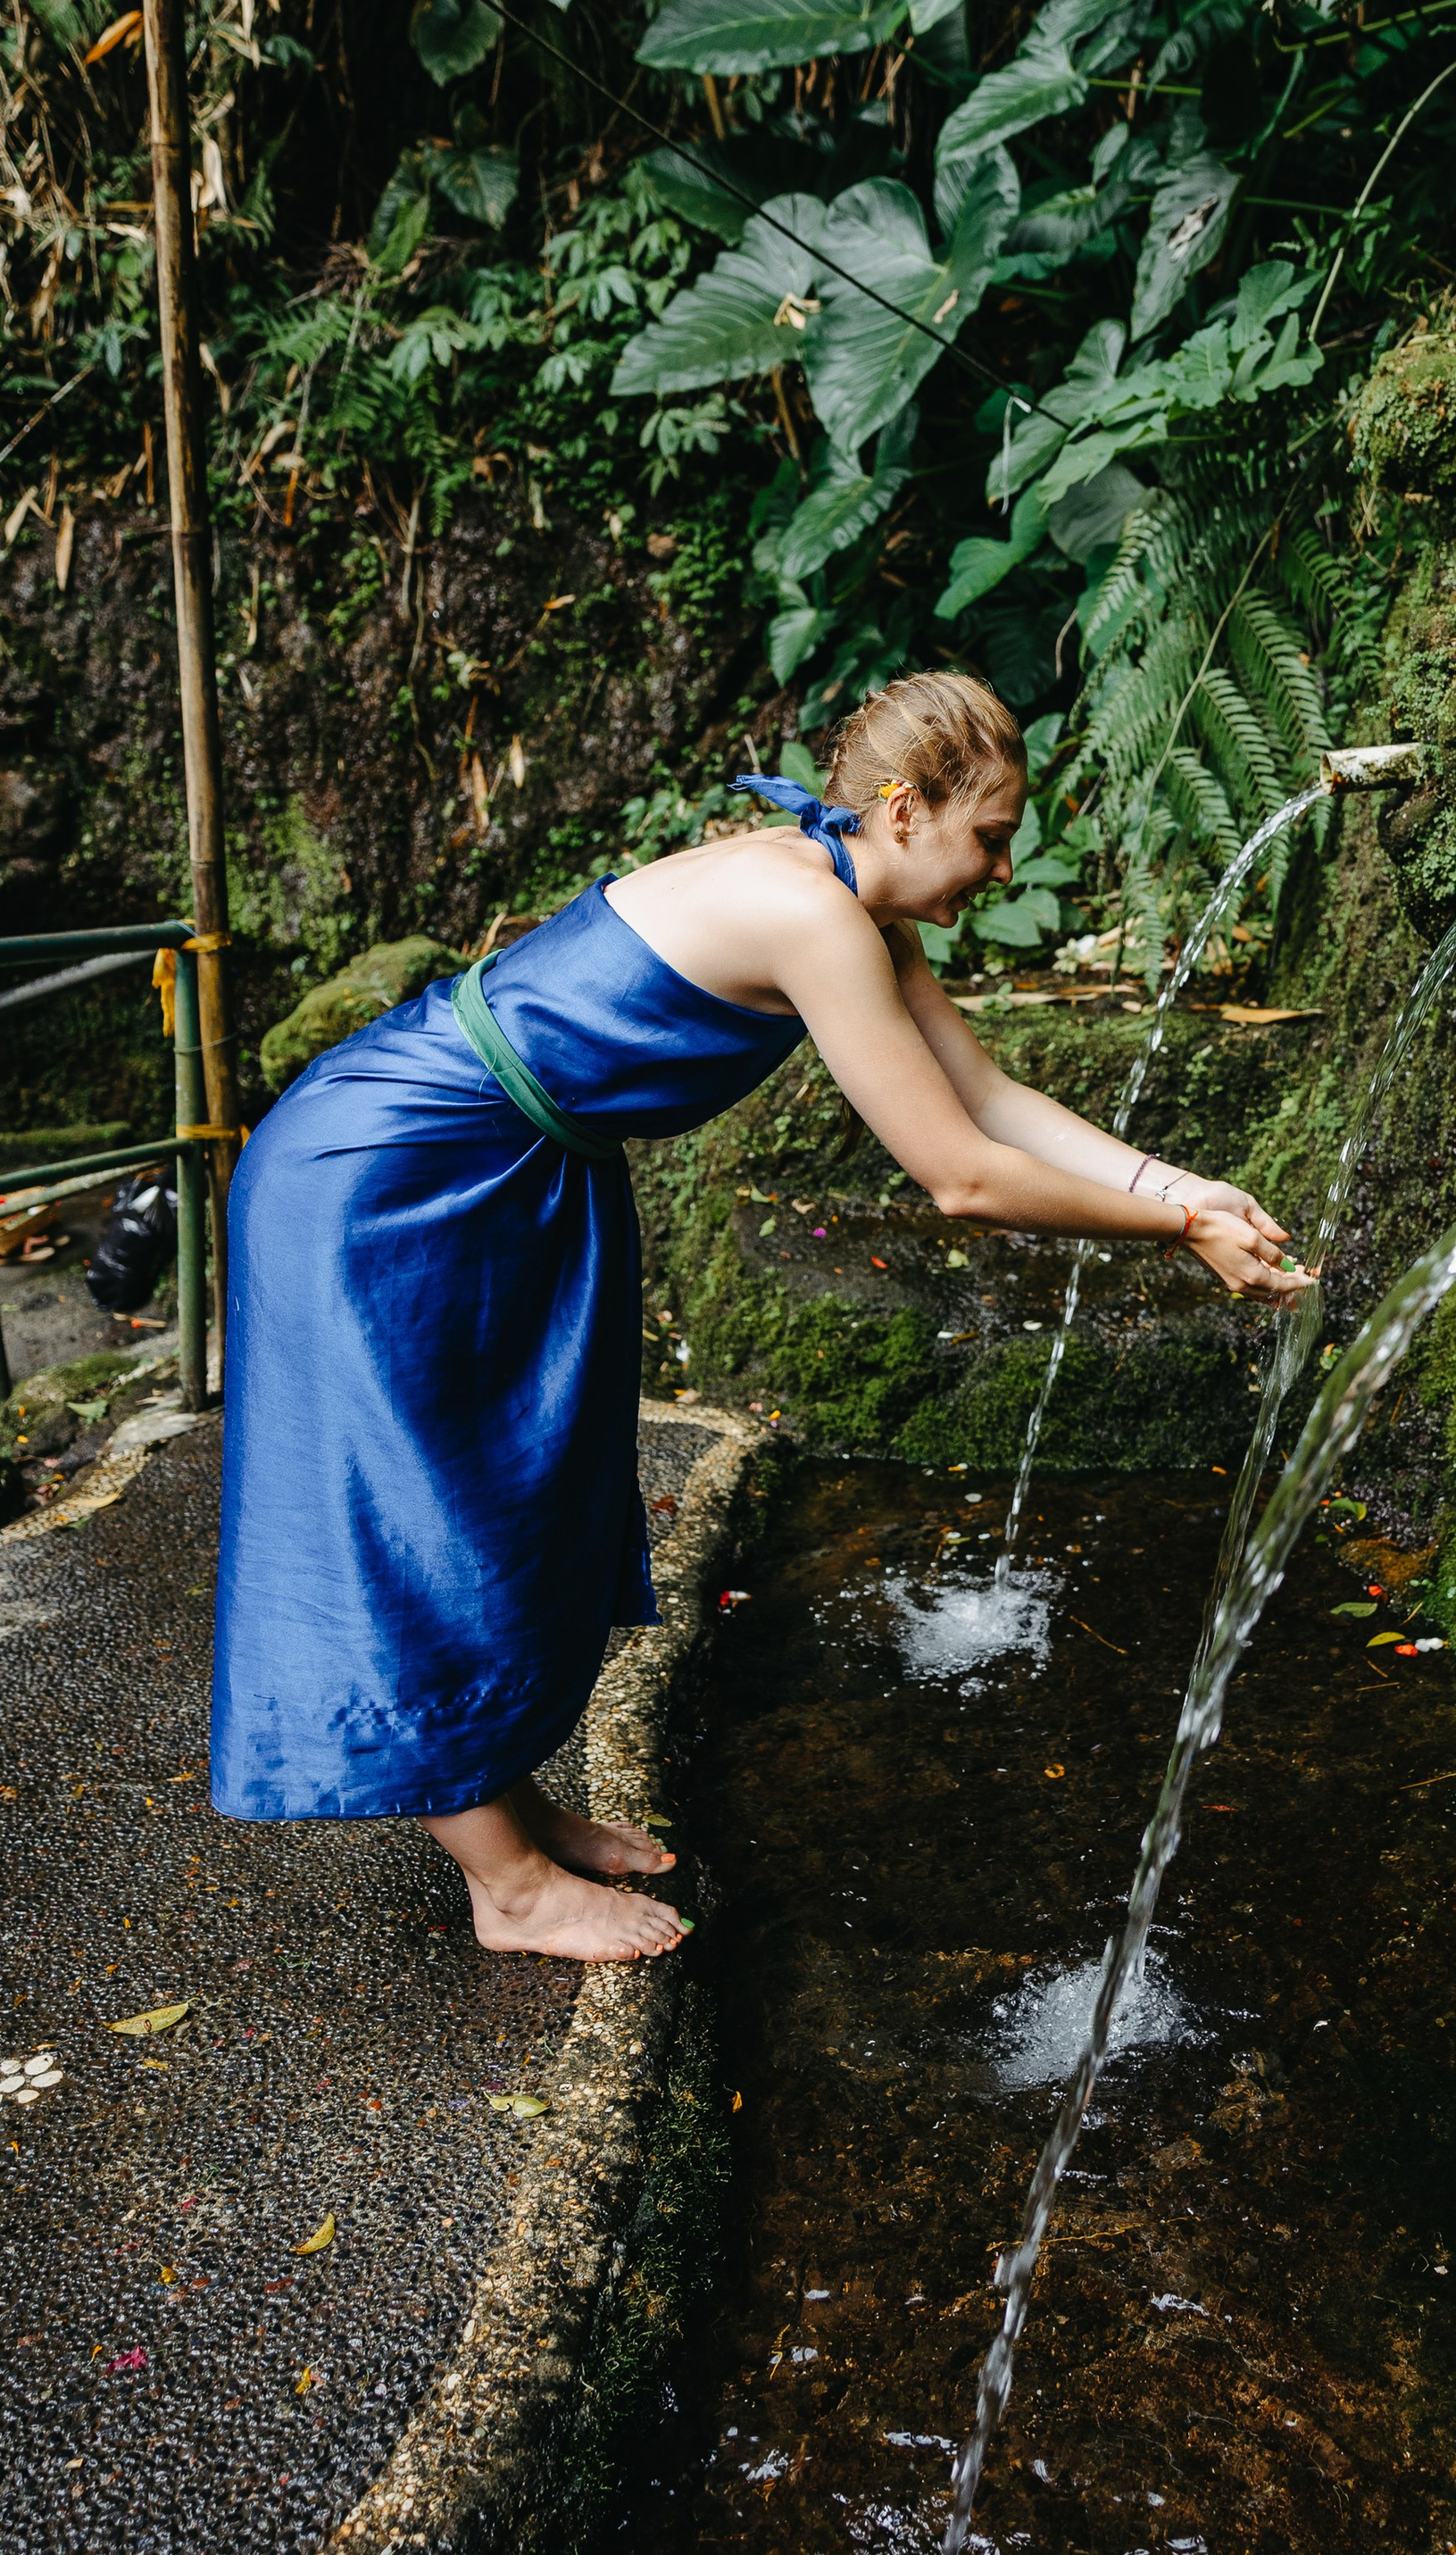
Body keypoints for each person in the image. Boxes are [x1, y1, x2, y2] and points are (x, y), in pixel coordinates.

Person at [212, 670, 1303, 1961]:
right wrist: (1177, 1234)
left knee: (508, 1492)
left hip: (490, 1170)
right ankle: (502, 1884)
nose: (1002, 870)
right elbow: (958, 1176)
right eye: (992, 835)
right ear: (902, 808)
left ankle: (508, 1810)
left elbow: (988, 1096)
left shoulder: (856, 904)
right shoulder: (813, 919)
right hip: (390, 1171)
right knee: (415, 1506)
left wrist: (1187, 1188)